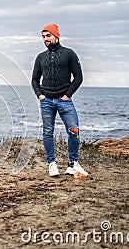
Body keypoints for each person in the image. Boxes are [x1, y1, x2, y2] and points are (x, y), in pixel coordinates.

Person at [31, 24, 89, 177]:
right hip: (46, 101)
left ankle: (73, 164)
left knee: (74, 130)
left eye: (48, 36)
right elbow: (34, 79)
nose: (45, 39)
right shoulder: (40, 57)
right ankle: (52, 164)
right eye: (43, 37)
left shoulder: (69, 54)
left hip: (64, 100)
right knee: (48, 132)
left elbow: (79, 77)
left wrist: (67, 95)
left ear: (56, 36)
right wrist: (40, 95)